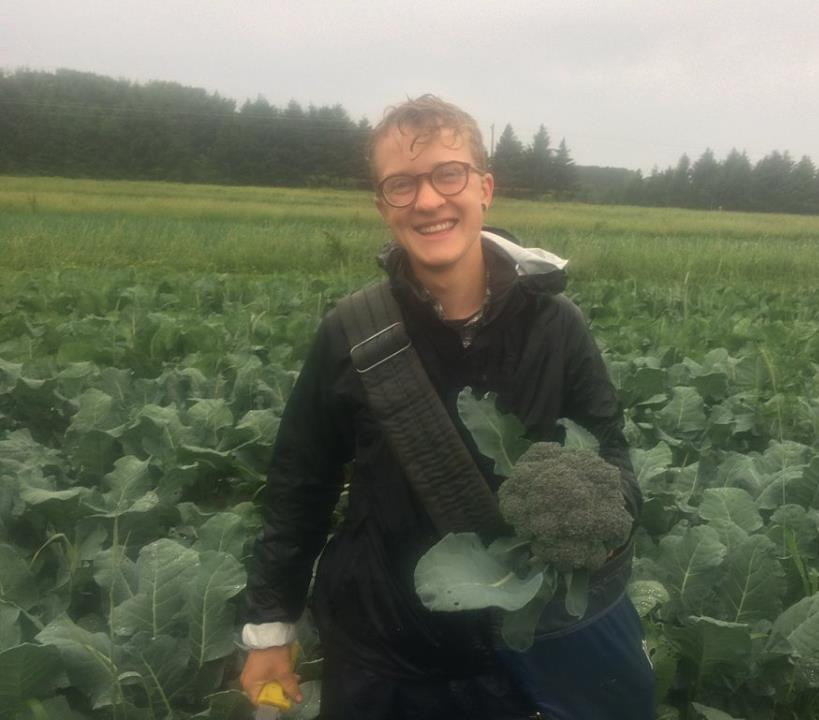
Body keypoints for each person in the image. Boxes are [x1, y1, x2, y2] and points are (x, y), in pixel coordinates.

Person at [240, 95, 655, 719]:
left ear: (485, 189)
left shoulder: (556, 325)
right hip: (384, 653)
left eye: (448, 175)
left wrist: (598, 520)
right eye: (402, 185)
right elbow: (300, 485)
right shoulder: (352, 333)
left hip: (518, 649)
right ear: (383, 206)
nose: (429, 200)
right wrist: (272, 625)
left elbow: (609, 446)